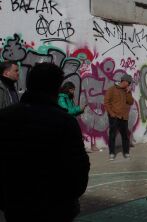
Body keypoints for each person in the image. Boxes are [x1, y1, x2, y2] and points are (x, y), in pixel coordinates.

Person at [0, 63, 90, 222]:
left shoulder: (6, 117)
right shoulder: (65, 122)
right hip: (57, 208)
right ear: (57, 87)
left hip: (17, 207)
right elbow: (79, 170)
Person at [104, 74, 134, 160]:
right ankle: (112, 153)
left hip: (124, 117)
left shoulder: (127, 91)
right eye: (128, 83)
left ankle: (126, 152)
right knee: (112, 135)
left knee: (125, 136)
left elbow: (130, 102)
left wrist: (128, 93)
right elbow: (106, 102)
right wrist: (111, 113)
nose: (129, 85)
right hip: (114, 117)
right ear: (124, 81)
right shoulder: (112, 89)